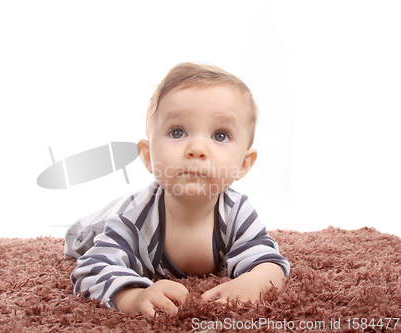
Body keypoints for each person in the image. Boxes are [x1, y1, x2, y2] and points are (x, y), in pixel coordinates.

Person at [65, 62, 290, 319]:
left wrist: (256, 281)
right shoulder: (134, 219)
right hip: (96, 226)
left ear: (244, 164)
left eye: (220, 135)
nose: (197, 148)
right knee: (81, 238)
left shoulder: (236, 211)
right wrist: (134, 296)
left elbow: (270, 261)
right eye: (177, 132)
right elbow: (91, 268)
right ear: (149, 157)